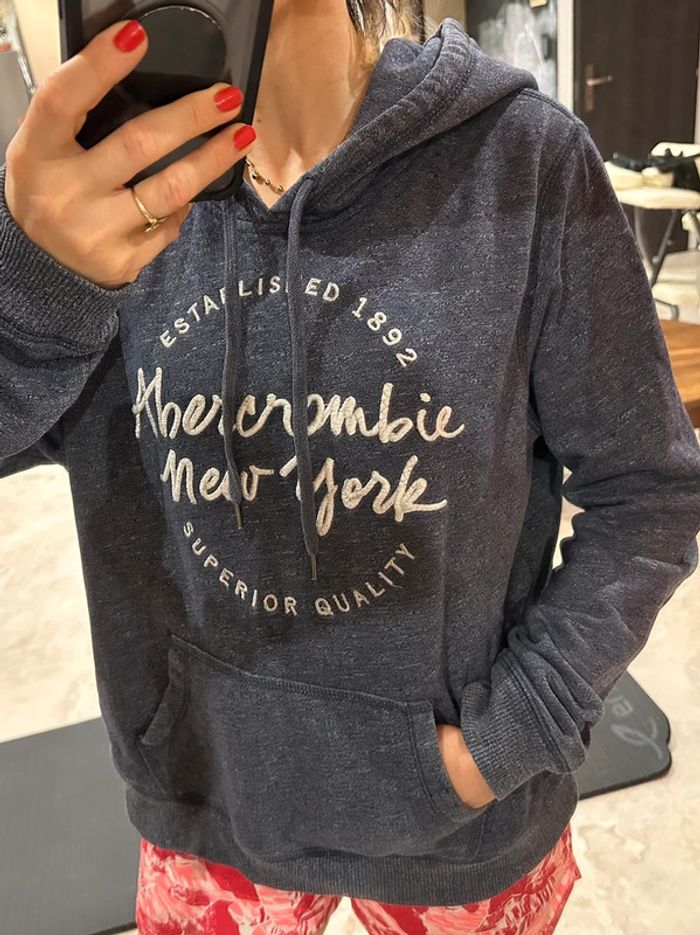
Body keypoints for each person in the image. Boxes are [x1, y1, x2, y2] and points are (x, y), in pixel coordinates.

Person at [1, 1, 699, 933]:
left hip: (458, 829)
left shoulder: (521, 163)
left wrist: (504, 740)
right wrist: (31, 288)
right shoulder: (91, 206)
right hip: (207, 801)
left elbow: (650, 494)